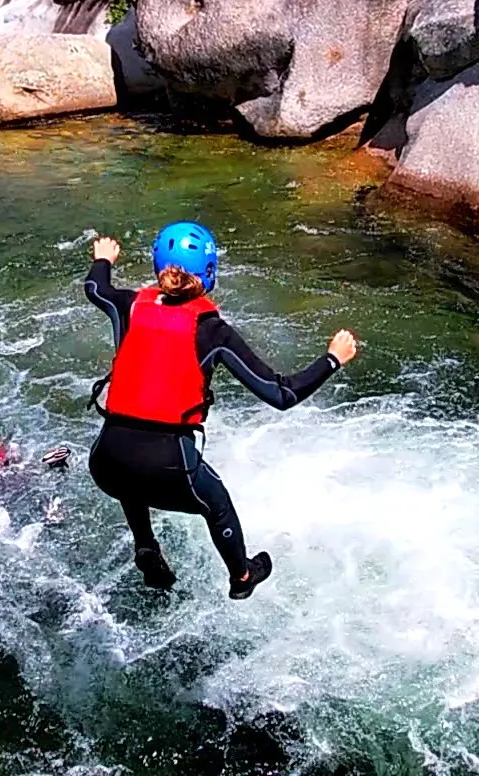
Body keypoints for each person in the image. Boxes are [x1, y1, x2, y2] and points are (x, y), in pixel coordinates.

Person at [84, 223, 359, 599]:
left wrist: (103, 259)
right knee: (217, 505)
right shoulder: (212, 331)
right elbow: (282, 395)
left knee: (132, 473)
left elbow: (95, 288)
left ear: (157, 266)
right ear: (209, 272)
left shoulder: (128, 305)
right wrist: (331, 359)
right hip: (167, 465)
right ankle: (242, 577)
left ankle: (145, 544)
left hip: (106, 461)